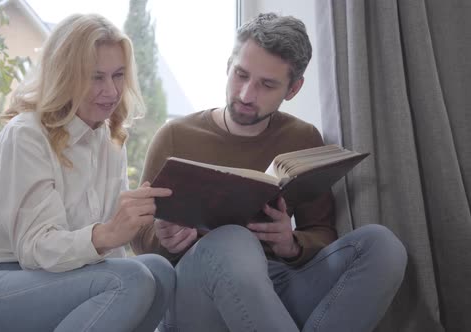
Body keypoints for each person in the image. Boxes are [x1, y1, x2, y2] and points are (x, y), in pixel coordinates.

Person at [131, 12, 407, 332]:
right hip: (197, 294)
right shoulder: (175, 136)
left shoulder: (303, 138)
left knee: (382, 245)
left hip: (274, 286)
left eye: (267, 85)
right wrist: (166, 238)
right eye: (241, 75)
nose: (247, 95)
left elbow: (321, 231)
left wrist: (291, 244)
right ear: (228, 66)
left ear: (293, 89)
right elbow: (139, 239)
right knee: (232, 239)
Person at [0, 13, 175, 332]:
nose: (112, 91)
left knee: (158, 272)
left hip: (45, 281)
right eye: (96, 77)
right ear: (66, 76)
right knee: (132, 278)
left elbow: (112, 256)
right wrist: (109, 233)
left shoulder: (109, 138)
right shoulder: (26, 135)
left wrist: (127, 233)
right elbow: (36, 248)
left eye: (118, 75)